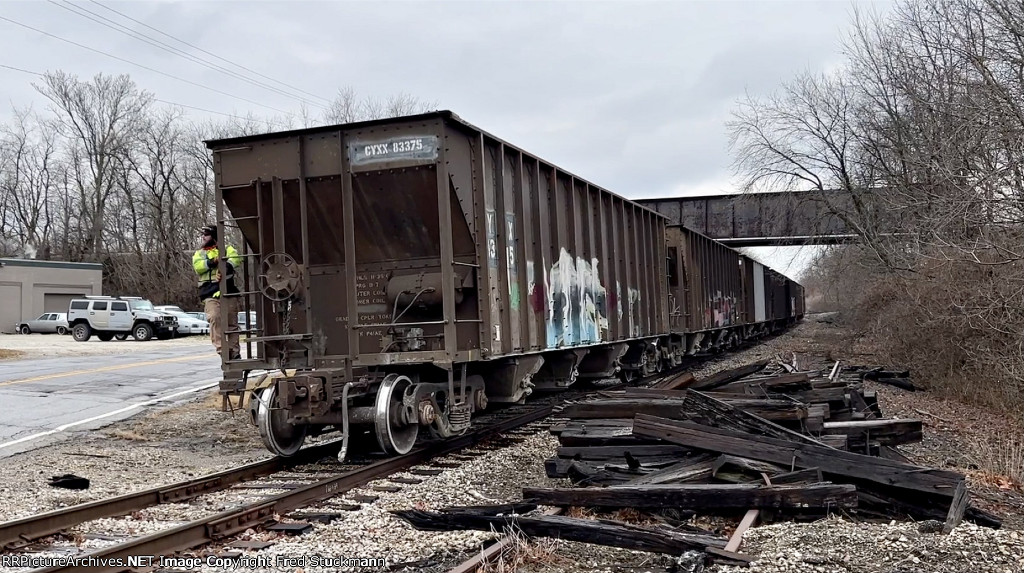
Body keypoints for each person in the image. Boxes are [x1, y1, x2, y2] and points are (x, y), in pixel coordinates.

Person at [193, 224, 242, 359]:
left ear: (214, 236)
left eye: (206, 234)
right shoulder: (200, 253)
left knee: (232, 322)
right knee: (214, 317)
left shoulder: (227, 249)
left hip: (228, 291)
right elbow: (198, 266)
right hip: (209, 292)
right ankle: (223, 351)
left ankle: (234, 352)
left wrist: (225, 267)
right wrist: (212, 262)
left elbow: (236, 259)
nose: (203, 237)